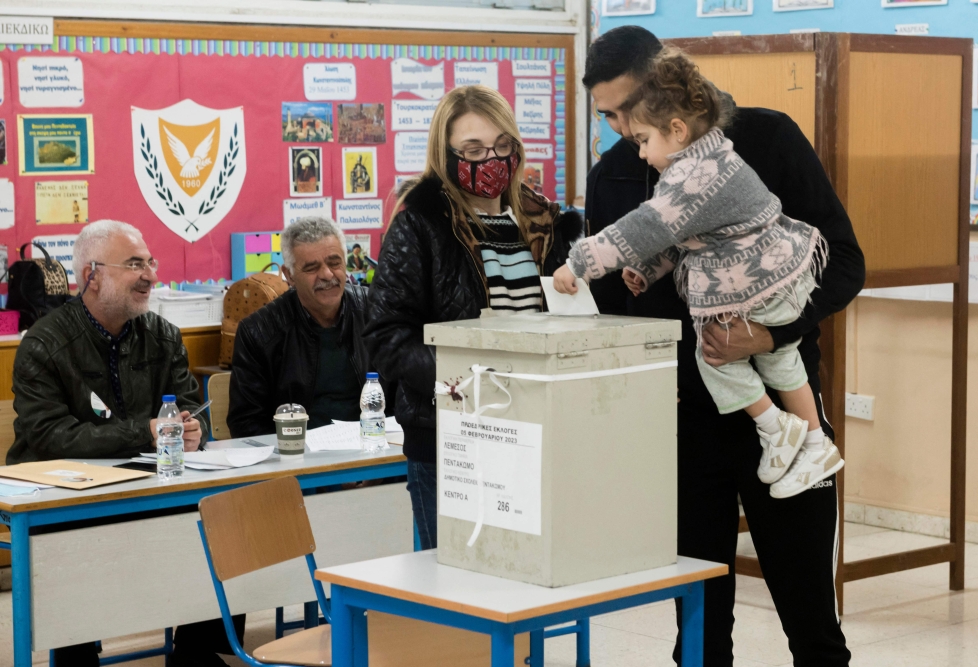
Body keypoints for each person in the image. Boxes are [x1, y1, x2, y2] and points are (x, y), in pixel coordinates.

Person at [583, 26, 864, 667]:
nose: (622, 127)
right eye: (608, 115)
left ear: (668, 86)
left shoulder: (766, 138)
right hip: (683, 424)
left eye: (628, 108)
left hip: (783, 415)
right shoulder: (615, 175)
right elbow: (617, 314)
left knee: (812, 624)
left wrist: (769, 334)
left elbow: (844, 262)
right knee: (700, 632)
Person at [556, 48, 844, 498]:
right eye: (609, 117)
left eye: (641, 135)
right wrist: (648, 270)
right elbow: (692, 236)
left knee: (715, 357)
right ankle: (812, 441)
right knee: (781, 364)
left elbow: (650, 225)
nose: (635, 146)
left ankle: (774, 426)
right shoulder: (712, 155)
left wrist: (578, 263)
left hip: (756, 288)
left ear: (674, 124)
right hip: (775, 278)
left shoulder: (708, 166)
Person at [9, 219, 242, 667]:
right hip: (59, 493)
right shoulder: (44, 344)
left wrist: (193, 431)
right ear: (91, 275)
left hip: (147, 482)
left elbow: (193, 415)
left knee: (221, 511)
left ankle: (197, 650)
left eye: (150, 262)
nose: (151, 275)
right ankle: (73, 649)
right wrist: (147, 431)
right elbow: (48, 437)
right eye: (135, 264)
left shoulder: (163, 335)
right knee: (71, 538)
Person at [364, 85, 583, 550]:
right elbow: (386, 334)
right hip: (451, 437)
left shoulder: (543, 220)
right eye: (474, 150)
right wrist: (457, 384)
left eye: (503, 146)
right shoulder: (421, 223)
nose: (492, 161)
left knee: (528, 576)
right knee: (456, 591)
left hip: (534, 430)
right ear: (446, 156)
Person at [228, 217, 377, 436]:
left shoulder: (376, 312)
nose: (327, 275)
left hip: (375, 449)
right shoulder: (258, 332)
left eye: (335, 263)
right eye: (311, 268)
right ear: (289, 276)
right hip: (296, 457)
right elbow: (246, 425)